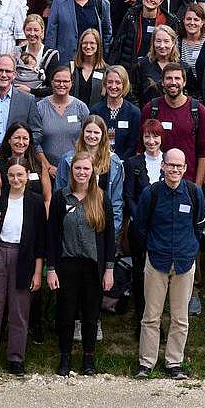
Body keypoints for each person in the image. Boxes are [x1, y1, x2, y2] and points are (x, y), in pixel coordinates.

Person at [132, 148, 205, 380]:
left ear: (185, 169)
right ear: (163, 166)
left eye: (179, 166)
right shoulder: (151, 193)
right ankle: (146, 363)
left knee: (180, 317)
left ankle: (174, 363)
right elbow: (140, 228)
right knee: (151, 316)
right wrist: (151, 249)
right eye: (170, 165)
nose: (174, 169)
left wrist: (190, 248)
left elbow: (198, 227)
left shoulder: (194, 193)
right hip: (156, 260)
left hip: (184, 261)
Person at [44, 153, 117, 377]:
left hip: (93, 266)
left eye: (86, 169)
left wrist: (109, 269)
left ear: (93, 172)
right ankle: (65, 357)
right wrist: (51, 268)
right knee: (66, 314)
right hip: (67, 265)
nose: (82, 173)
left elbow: (109, 236)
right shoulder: (60, 197)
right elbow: (52, 235)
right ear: (71, 170)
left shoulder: (101, 198)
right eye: (78, 168)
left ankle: (88, 358)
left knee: (90, 315)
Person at [0, 158, 46, 376]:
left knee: (19, 311)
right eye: (12, 175)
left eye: (20, 175)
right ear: (7, 177)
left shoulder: (35, 202)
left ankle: (16, 358)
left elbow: (41, 241)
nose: (16, 179)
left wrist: (38, 271)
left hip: (23, 257)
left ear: (27, 176)